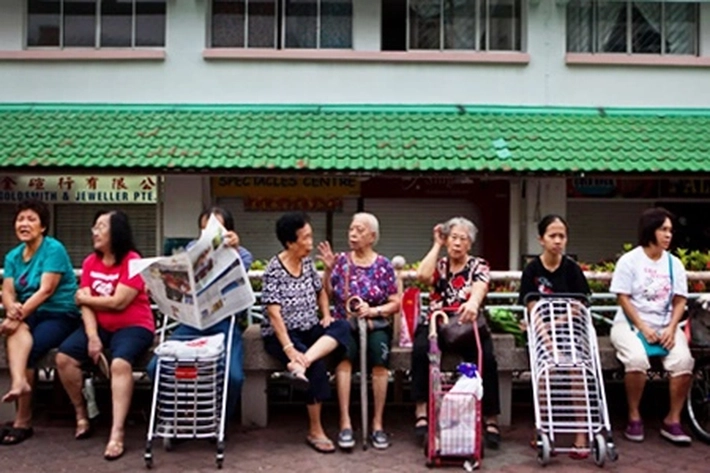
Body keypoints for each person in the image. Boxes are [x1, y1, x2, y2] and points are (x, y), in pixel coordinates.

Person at [55, 210, 155, 460]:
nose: (95, 232)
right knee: (64, 358)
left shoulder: (133, 260)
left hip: (134, 326)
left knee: (121, 364)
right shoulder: (90, 262)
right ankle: (81, 414)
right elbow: (85, 305)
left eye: (101, 227)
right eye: (95, 227)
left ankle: (117, 433)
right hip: (99, 327)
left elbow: (120, 302)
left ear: (116, 232)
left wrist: (87, 298)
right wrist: (92, 336)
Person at [146, 207, 253, 420]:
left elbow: (238, 276)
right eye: (203, 231)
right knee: (157, 367)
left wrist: (235, 248)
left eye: (214, 231)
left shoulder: (243, 255)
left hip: (224, 325)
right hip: (192, 324)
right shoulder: (191, 250)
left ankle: (219, 419)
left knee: (233, 376)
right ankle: (174, 418)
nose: (207, 236)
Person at [260, 212, 351, 454]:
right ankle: (315, 430)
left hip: (309, 328)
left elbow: (320, 290)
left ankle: (303, 362)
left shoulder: (308, 264)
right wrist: (289, 349)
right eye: (306, 238)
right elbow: (274, 314)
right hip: (282, 334)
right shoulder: (273, 269)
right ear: (290, 242)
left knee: (342, 326)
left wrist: (326, 314)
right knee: (317, 367)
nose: (311, 243)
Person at [411, 217, 502, 450]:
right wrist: (436, 244)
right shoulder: (440, 264)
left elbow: (481, 286)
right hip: (437, 322)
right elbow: (421, 276)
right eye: (453, 238)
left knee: (487, 359)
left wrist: (473, 303)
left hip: (465, 323)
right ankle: (421, 412)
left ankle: (490, 419)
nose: (457, 243)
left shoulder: (478, 265)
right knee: (421, 350)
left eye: (463, 239)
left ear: (470, 244)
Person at [610, 207, 694, 445]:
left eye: (670, 230)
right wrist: (643, 328)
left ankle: (672, 419)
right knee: (636, 360)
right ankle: (634, 415)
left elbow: (680, 300)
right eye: (663, 229)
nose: (668, 235)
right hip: (630, 324)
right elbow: (623, 298)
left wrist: (670, 328)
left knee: (684, 362)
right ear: (650, 231)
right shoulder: (630, 261)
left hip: (665, 325)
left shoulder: (674, 264)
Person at [318, 212, 400, 450]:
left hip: (375, 324)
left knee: (379, 361)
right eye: (352, 229)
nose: (353, 234)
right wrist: (328, 270)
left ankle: (377, 424)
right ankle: (345, 422)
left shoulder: (383, 265)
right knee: (344, 359)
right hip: (345, 323)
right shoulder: (341, 261)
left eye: (360, 230)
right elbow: (329, 295)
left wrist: (373, 310)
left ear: (372, 236)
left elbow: (395, 302)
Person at [0, 200, 80, 445]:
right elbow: (7, 290)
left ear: (43, 226)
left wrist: (15, 316)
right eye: (20, 219)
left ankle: (23, 421)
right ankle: (19, 384)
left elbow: (46, 290)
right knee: (14, 334)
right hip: (30, 313)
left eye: (31, 219)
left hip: (60, 313)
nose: (24, 224)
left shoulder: (53, 249)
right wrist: (12, 309)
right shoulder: (13, 255)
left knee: (29, 348)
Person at [518, 214, 591, 459]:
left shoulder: (571, 269)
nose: (558, 241)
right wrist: (546, 338)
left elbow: (579, 305)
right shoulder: (532, 269)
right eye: (552, 236)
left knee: (576, 370)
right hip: (539, 332)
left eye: (562, 236)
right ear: (541, 239)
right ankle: (544, 429)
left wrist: (556, 323)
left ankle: (581, 433)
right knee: (544, 371)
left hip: (570, 330)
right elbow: (531, 307)